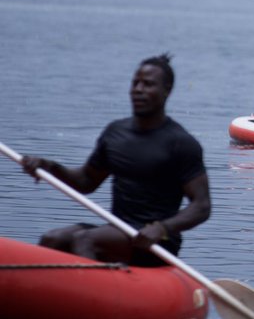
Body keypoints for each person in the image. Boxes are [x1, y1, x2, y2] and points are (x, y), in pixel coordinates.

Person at [22, 54, 211, 267]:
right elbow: (86, 181)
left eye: (148, 84)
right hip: (117, 230)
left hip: (156, 242)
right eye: (135, 83)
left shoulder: (181, 143)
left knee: (84, 239)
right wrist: (49, 167)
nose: (138, 89)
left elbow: (201, 206)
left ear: (166, 91)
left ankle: (92, 297)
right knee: (52, 239)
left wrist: (163, 228)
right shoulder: (115, 133)